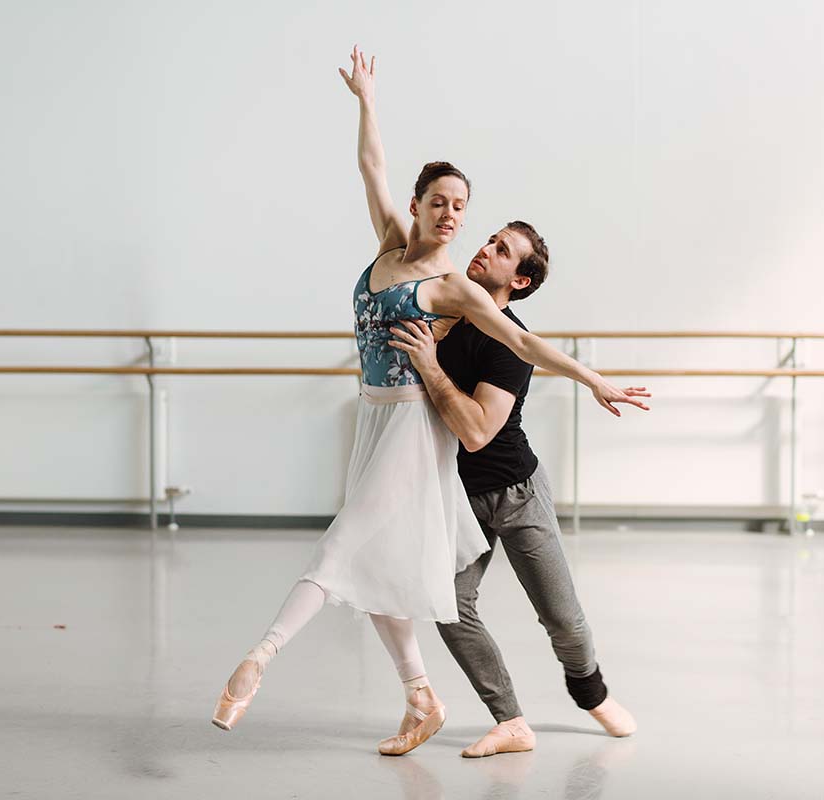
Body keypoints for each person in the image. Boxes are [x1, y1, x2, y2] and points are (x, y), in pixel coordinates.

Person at [211, 46, 648, 757]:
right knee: (413, 586)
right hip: (403, 442)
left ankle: (259, 660)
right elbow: (372, 169)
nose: (457, 223)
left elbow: (509, 377)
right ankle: (449, 704)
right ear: (418, 206)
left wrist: (594, 380)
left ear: (517, 277)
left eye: (470, 217)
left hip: (462, 456)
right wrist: (367, 101)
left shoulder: (466, 302)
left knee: (540, 611)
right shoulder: (400, 252)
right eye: (443, 206)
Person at [388, 223, 649, 758]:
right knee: (450, 606)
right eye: (489, 240)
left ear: (521, 280)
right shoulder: (445, 312)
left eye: (501, 251)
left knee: (562, 617)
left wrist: (431, 368)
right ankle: (510, 722)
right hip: (458, 494)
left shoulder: (506, 342)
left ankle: (591, 694)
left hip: (515, 492)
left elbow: (477, 431)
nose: (484, 250)